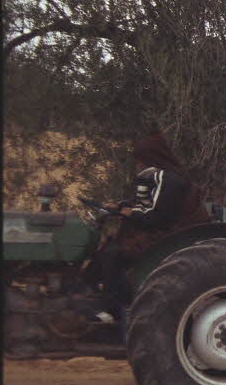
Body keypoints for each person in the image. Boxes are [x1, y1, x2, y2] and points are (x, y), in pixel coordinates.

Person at [84, 130, 209, 320]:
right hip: (164, 232)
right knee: (106, 251)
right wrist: (121, 207)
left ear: (150, 158)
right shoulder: (161, 180)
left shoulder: (166, 180)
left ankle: (115, 308)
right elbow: (148, 206)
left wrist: (129, 212)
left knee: (112, 254)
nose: (137, 165)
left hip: (169, 237)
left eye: (140, 160)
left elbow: (157, 218)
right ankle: (90, 297)